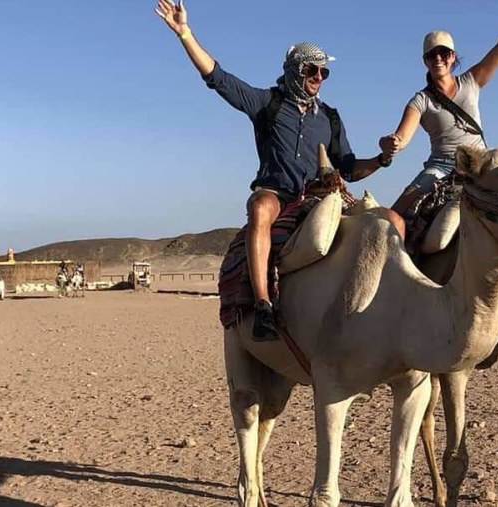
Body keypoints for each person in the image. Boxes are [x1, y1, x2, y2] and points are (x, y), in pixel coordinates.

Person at [155, 0, 398, 341]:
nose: (318, 78)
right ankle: (264, 306)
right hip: (278, 193)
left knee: (386, 220)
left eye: (323, 72)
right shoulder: (267, 103)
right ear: (295, 71)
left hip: (321, 195)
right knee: (259, 208)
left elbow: (349, 169)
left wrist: (381, 159)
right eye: (312, 70)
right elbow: (218, 78)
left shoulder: (330, 117)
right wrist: (185, 34)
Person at [380, 0, 498, 227]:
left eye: (443, 53)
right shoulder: (421, 101)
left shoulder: (471, 82)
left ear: (453, 57)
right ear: (425, 61)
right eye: (432, 55)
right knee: (394, 217)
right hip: (441, 167)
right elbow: (402, 138)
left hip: (482, 162)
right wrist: (391, 144)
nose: (438, 58)